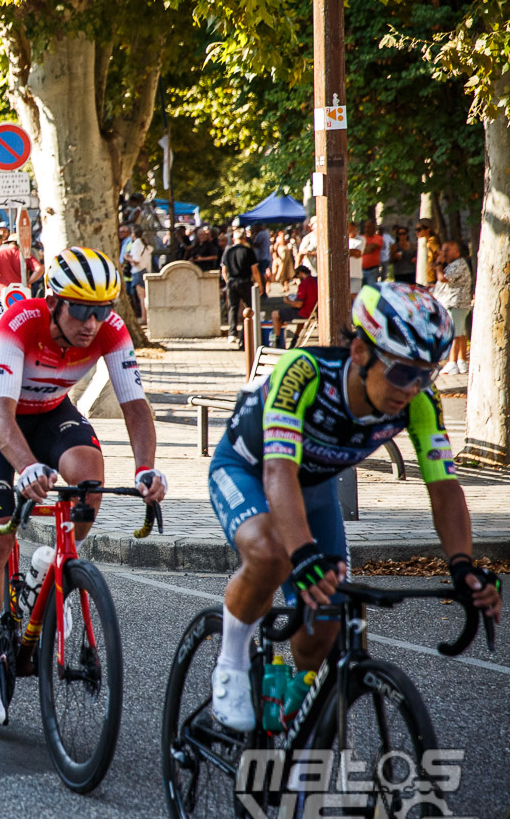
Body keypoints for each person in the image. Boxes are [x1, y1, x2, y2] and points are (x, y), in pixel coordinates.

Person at [206, 284, 501, 731]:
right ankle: (230, 663)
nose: (414, 388)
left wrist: (463, 565)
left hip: (313, 490)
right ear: (361, 351)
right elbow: (278, 473)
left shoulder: (419, 402)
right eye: (404, 373)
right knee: (272, 553)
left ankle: (295, 709)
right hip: (249, 470)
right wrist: (302, 554)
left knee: (328, 618)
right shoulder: (303, 372)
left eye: (428, 375)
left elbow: (443, 487)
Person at [0, 248, 167, 725]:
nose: (93, 322)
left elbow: (136, 406)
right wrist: (28, 467)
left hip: (51, 409)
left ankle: (50, 564)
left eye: (103, 310)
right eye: (82, 309)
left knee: (90, 476)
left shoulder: (112, 331)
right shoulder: (21, 322)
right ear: (54, 301)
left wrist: (146, 469)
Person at [434, 240, 473, 374]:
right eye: (442, 250)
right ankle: (461, 361)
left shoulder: (458, 264)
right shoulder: (454, 265)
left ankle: (452, 363)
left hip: (456, 303)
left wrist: (438, 264)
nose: (443, 253)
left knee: (455, 334)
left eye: (447, 250)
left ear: (456, 252)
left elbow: (442, 278)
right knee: (460, 333)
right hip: (455, 303)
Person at [220, 228, 261, 346]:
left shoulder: (228, 251)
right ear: (244, 239)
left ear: (233, 239)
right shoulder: (248, 251)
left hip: (232, 282)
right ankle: (245, 334)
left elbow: (224, 270)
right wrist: (260, 284)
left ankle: (232, 333)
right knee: (249, 308)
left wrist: (228, 282)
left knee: (233, 308)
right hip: (245, 282)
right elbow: (255, 270)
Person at [267, 264, 317, 348]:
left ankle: (277, 341)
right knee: (297, 318)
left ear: (300, 273)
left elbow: (299, 304)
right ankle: (294, 341)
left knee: (275, 314)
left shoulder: (304, 284)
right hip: (314, 312)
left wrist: (288, 301)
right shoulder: (316, 280)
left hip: (305, 312)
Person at [124, 227, 152, 320]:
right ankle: (145, 316)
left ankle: (144, 317)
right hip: (143, 270)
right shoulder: (143, 243)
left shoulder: (136, 244)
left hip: (138, 271)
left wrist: (127, 258)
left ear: (133, 234)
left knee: (141, 297)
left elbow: (136, 261)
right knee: (144, 296)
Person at [360, 218, 385, 286]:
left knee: (372, 290)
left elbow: (370, 249)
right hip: (360, 270)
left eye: (369, 227)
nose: (367, 229)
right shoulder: (361, 238)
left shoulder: (378, 238)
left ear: (374, 228)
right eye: (365, 227)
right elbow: (356, 251)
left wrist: (362, 249)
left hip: (372, 270)